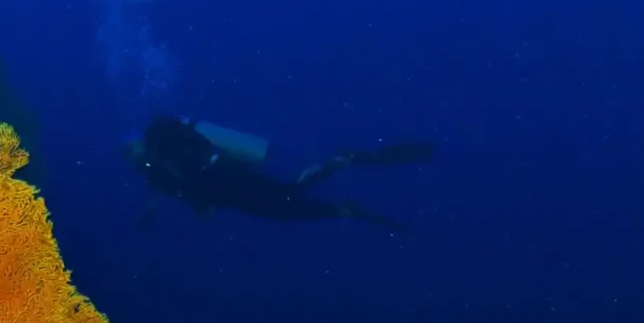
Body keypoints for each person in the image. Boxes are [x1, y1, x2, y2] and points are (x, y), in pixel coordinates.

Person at [126, 116, 434, 228]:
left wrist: (201, 190)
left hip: (228, 178)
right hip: (225, 193)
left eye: (131, 150)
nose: (133, 159)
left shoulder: (163, 139)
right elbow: (183, 187)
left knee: (288, 195)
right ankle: (341, 209)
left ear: (139, 143)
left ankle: (338, 162)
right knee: (281, 213)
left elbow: (194, 164)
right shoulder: (152, 170)